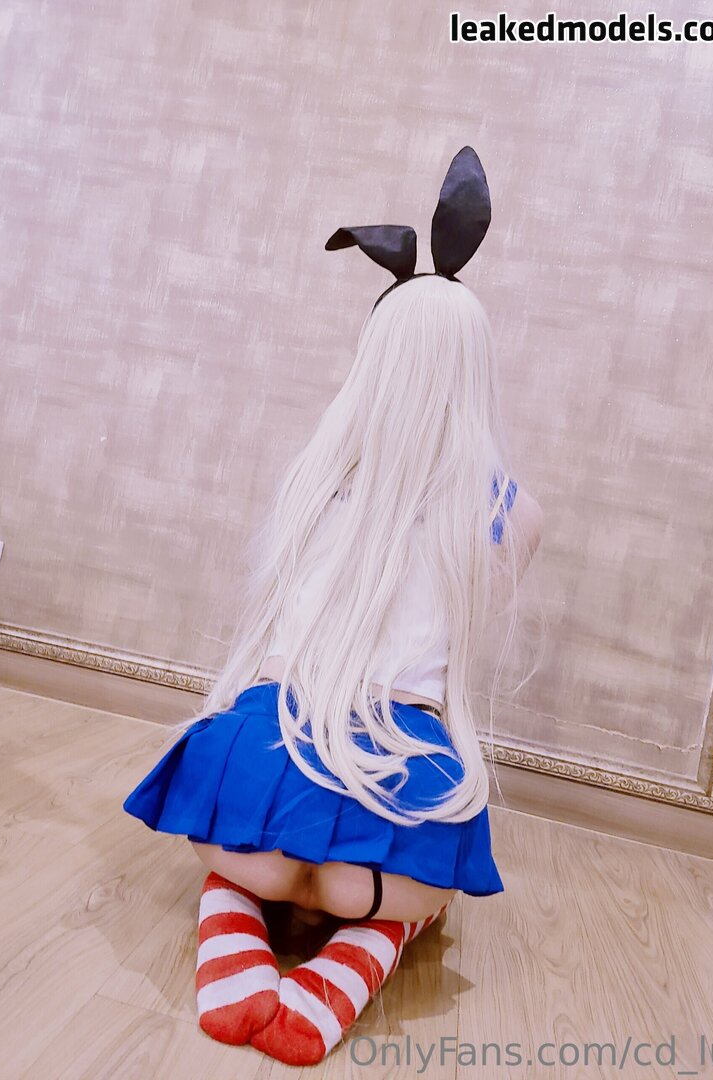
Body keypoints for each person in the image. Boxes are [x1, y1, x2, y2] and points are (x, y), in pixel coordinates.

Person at [123, 147, 544, 1066]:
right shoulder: (512, 513)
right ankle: (356, 958)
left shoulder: (312, 480)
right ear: (475, 372)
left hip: (257, 800)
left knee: (238, 837)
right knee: (420, 893)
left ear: (371, 361)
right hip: (386, 845)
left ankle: (235, 919)